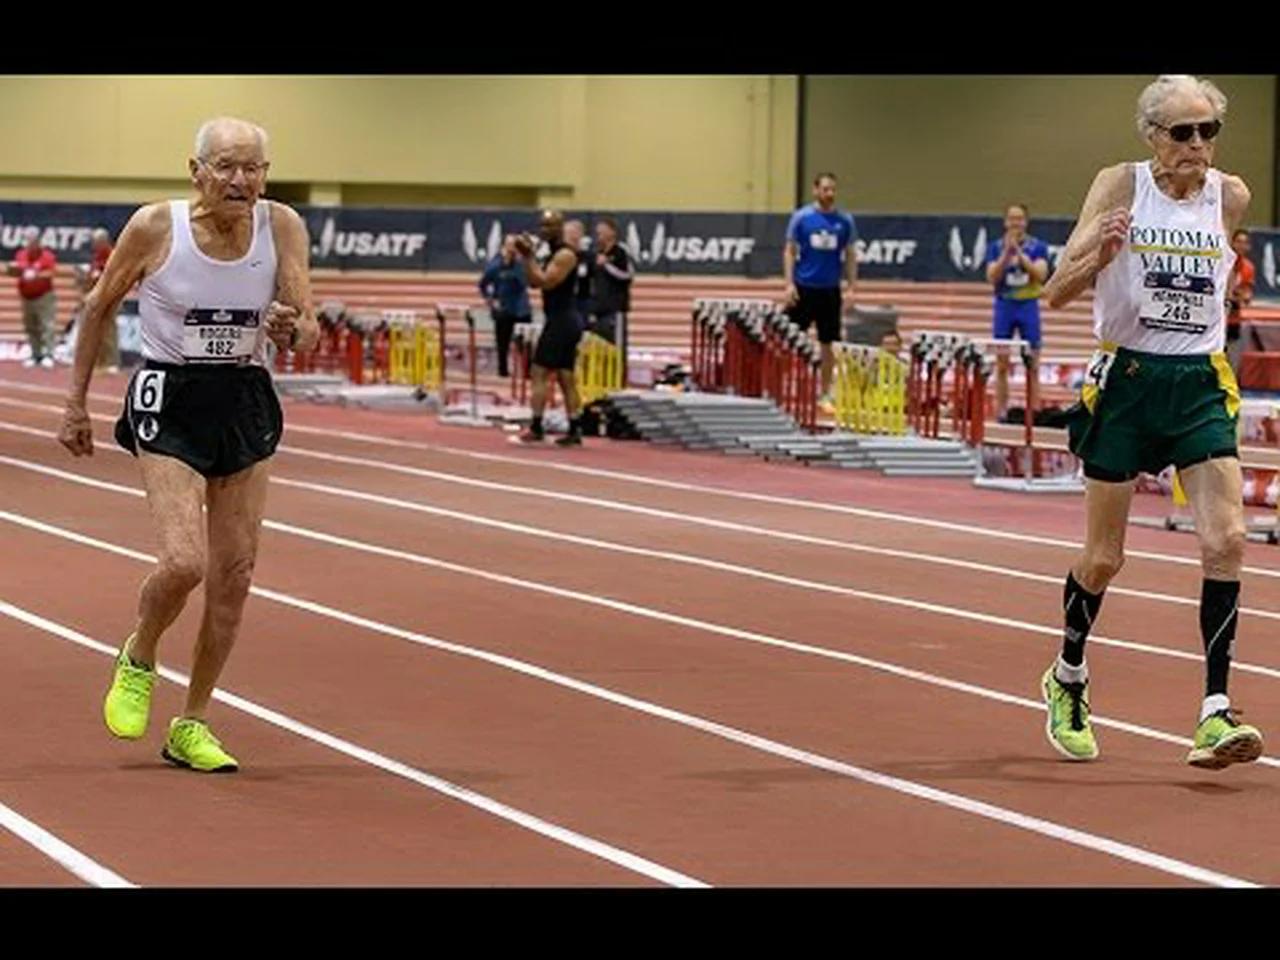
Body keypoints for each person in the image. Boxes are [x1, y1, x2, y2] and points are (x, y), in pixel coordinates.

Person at [57, 117, 319, 773]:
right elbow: (98, 306)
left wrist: (293, 327)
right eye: (227, 166)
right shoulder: (155, 226)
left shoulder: (281, 225)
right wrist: (76, 404)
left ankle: (192, 723)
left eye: (254, 167)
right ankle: (141, 652)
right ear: (195, 169)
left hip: (243, 398)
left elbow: (304, 326)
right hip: (170, 398)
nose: (241, 180)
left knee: (234, 577)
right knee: (183, 562)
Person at [1043, 75, 1263, 770]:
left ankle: (1214, 713)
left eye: (1208, 131)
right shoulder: (1118, 185)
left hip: (1198, 382)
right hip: (1127, 383)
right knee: (1106, 559)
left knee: (1227, 538)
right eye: (1183, 132)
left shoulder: (1229, 197)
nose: (1198, 145)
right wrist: (1098, 255)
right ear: (1151, 136)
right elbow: (1054, 292)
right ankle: (1068, 675)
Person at [783, 173, 857, 413]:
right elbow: (790, 251)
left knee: (829, 345)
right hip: (804, 288)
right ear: (815, 190)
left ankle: (825, 393)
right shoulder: (802, 218)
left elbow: (851, 254)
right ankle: (784, 387)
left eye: (833, 190)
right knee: (790, 341)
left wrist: (852, 287)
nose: (829, 194)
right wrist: (788, 284)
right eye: (825, 189)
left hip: (830, 291)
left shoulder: (844, 221)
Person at [512, 210, 584, 447]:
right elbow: (534, 281)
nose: (544, 230)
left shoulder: (565, 255)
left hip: (563, 321)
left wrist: (530, 256)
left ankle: (536, 427)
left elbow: (546, 281)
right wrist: (528, 257)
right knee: (566, 377)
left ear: (559, 228)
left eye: (549, 226)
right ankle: (574, 430)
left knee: (539, 372)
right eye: (542, 226)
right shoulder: (551, 253)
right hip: (560, 319)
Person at [981, 204, 1049, 419]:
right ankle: (1002, 410)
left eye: (1019, 219)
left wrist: (1019, 254)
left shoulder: (1038, 246)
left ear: (1026, 222)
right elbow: (991, 276)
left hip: (1028, 306)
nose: (1015, 223)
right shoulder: (995, 247)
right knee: (1002, 363)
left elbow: (1041, 274)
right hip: (1004, 306)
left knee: (1033, 363)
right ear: (1005, 222)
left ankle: (1034, 410)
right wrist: (1005, 255)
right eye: (1012, 219)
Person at [478, 234, 531, 378]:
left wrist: (518, 263)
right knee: (503, 344)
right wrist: (490, 300)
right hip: (503, 310)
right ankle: (503, 372)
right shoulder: (495, 265)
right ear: (504, 246)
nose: (512, 249)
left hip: (521, 309)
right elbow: (482, 284)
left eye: (515, 246)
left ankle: (527, 372)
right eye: (510, 245)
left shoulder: (521, 264)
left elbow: (527, 282)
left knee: (525, 344)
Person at [7, 226, 58, 369]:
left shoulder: (47, 256)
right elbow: (14, 272)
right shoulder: (21, 255)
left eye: (31, 241)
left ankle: (49, 354)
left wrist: (36, 275)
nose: (29, 244)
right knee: (30, 326)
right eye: (27, 241)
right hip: (26, 297)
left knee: (47, 325)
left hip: (44, 297)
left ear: (38, 242)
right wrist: (12, 270)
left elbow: (52, 273)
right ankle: (36, 354)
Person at [590, 217, 635, 346]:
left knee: (617, 343)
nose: (598, 235)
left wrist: (607, 265)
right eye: (597, 233)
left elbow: (628, 275)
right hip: (599, 308)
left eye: (601, 232)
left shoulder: (620, 253)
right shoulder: (597, 253)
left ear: (612, 232)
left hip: (615, 309)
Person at [1224, 228, 1255, 375]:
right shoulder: (1222, 262)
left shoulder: (1248, 268)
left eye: (1245, 243)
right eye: (1238, 241)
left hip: (1234, 318)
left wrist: (1238, 296)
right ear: (1232, 242)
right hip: (1217, 317)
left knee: (1233, 361)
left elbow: (1247, 296)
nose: (1241, 246)